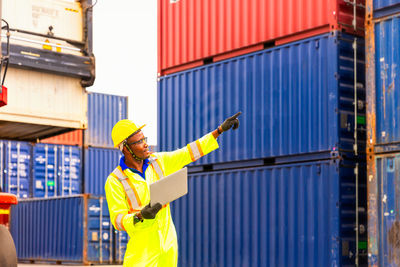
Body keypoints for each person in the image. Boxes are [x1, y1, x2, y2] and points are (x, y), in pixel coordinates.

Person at [105, 112, 241, 267]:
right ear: (126, 149)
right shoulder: (115, 181)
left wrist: (219, 131)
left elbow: (188, 153)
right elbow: (117, 219)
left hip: (168, 242)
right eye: (139, 141)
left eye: (144, 139)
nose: (145, 144)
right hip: (143, 248)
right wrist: (139, 216)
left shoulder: (158, 162)